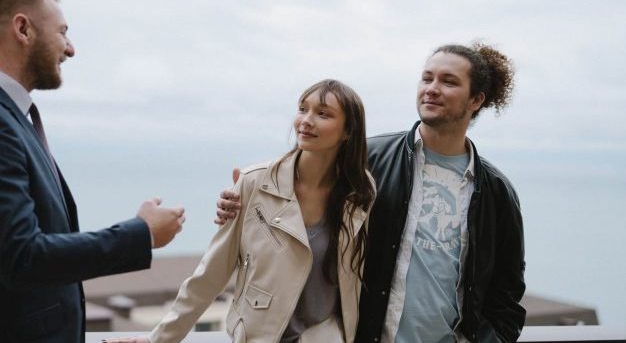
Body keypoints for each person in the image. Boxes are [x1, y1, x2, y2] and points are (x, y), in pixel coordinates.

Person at [216, 43, 526, 342]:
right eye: (426, 78)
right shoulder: (368, 158)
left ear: (476, 100)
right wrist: (242, 203)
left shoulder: (496, 191)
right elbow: (296, 198)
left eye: (448, 82)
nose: (432, 88)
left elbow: (507, 290)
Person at [0, 0, 185, 342]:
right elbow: (23, 258)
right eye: (63, 32)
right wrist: (141, 234)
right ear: (23, 29)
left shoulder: (6, 117)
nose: (71, 49)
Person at [106, 79, 376, 343]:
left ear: (347, 131)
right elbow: (211, 273)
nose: (306, 120)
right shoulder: (254, 183)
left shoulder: (360, 193)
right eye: (303, 109)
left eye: (323, 114)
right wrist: (159, 339)